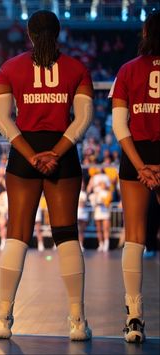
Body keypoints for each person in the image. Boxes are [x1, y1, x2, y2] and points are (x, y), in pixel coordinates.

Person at [0, 10, 93, 340]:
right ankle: (77, 321)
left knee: (17, 233)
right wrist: (56, 153)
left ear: (30, 34)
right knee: (66, 235)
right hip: (62, 154)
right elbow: (83, 120)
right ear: (58, 33)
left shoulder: (10, 68)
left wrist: (31, 154)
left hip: (24, 155)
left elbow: (2, 120)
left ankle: (3, 318)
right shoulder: (77, 68)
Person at [110, 9, 160, 343]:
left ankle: (134, 319)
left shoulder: (127, 70)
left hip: (136, 155)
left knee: (135, 237)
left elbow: (118, 125)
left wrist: (140, 165)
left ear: (145, 34)